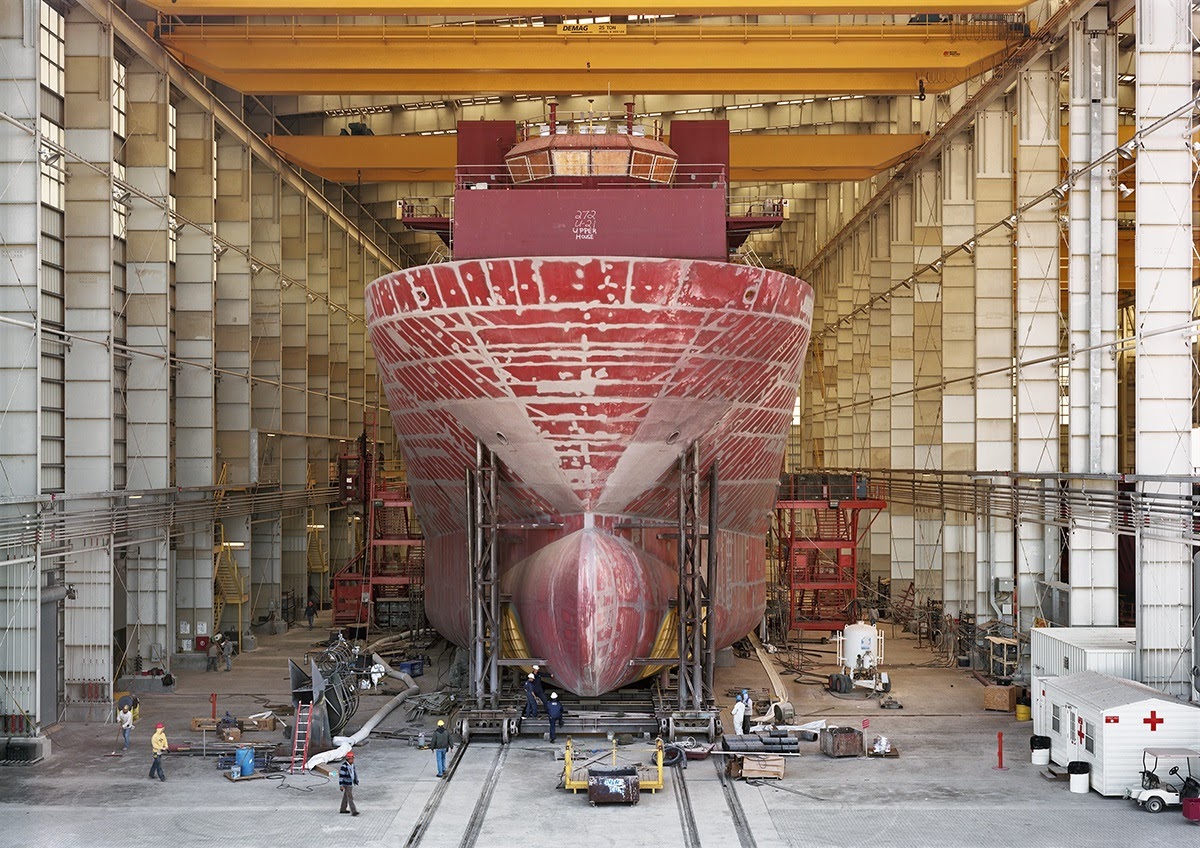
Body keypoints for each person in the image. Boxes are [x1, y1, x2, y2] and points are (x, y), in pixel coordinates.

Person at [338, 751, 359, 816]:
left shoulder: (352, 765)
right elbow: (341, 776)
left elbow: (354, 773)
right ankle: (354, 811)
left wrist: (356, 780)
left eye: (353, 759)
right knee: (350, 797)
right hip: (346, 784)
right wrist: (341, 785)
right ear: (348, 759)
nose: (352, 760)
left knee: (346, 797)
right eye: (351, 759)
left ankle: (343, 809)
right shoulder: (344, 766)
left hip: (351, 783)